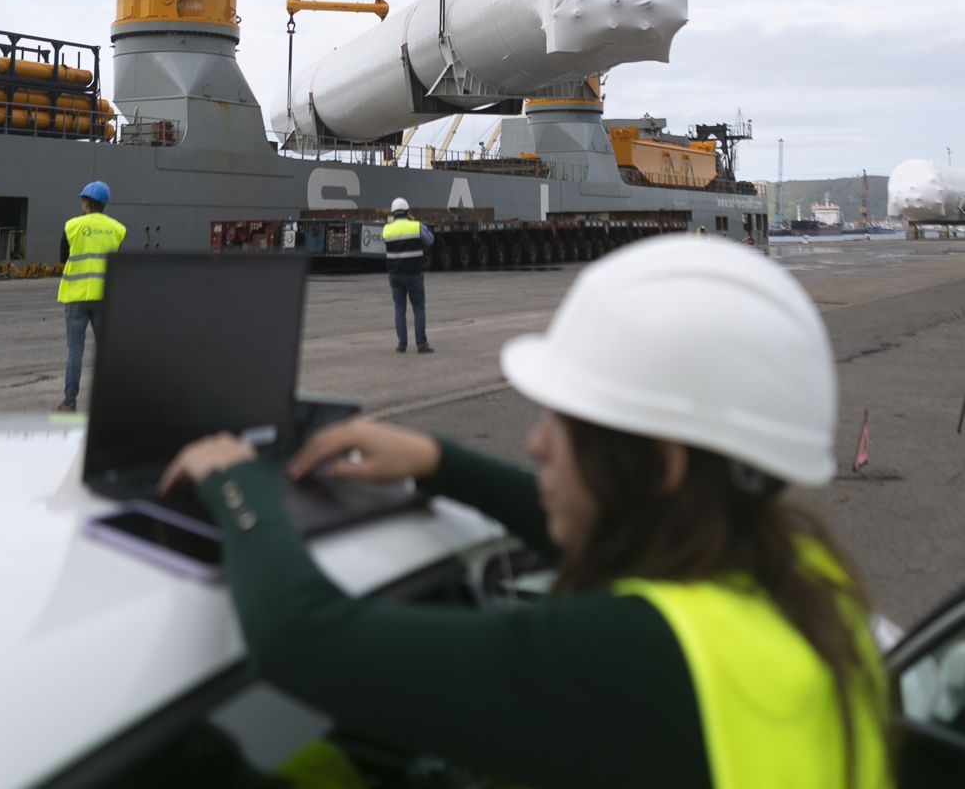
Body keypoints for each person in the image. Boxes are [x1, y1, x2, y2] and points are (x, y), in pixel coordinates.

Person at [162, 236, 892, 788]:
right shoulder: (797, 575)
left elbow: (302, 638)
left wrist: (238, 482)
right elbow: (622, 536)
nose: (537, 445)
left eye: (566, 427)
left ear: (663, 464)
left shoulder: (629, 656)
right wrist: (441, 462)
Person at [55, 179, 126, 412]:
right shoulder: (118, 229)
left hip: (76, 297)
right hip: (104, 298)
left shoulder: (71, 226)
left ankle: (69, 401)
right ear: (104, 205)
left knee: (75, 350)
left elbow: (63, 259)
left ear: (86, 203)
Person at [381, 194, 435, 354]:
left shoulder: (387, 230)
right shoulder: (415, 227)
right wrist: (418, 224)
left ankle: (402, 345)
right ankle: (421, 344)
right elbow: (430, 240)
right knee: (418, 308)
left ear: (393, 213)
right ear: (407, 211)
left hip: (395, 275)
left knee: (399, 309)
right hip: (413, 273)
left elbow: (387, 240)